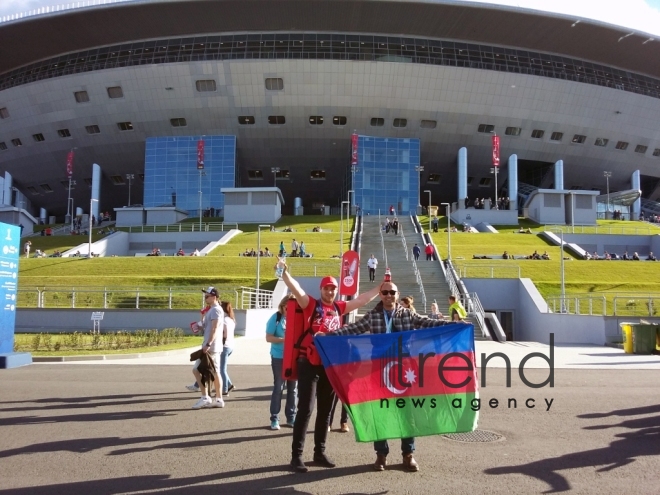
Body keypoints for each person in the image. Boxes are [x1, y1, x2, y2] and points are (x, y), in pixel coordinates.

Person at [328, 280, 449, 472]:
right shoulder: (373, 316)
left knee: (406, 412)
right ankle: (381, 455)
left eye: (392, 292)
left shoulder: (407, 314)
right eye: (385, 292)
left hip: (404, 371)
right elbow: (352, 329)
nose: (388, 295)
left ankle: (408, 455)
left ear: (397, 293)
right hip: (380, 371)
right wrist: (328, 335)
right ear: (381, 295)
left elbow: (429, 323)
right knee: (380, 412)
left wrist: (454, 324)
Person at [279, 258, 381, 473]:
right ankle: (296, 456)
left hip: (330, 364)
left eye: (333, 289)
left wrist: (378, 289)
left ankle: (319, 453)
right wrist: (285, 273)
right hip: (309, 362)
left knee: (326, 411)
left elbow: (361, 300)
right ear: (321, 289)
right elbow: (296, 290)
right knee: (306, 409)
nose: (330, 291)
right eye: (327, 288)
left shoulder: (338, 307)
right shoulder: (311, 304)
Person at [266, 295, 298, 430]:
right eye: (287, 307)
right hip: (279, 356)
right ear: (283, 305)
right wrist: (285, 340)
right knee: (279, 387)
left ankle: (291, 417)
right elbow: (268, 338)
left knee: (293, 389)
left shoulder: (297, 317)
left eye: (293, 307)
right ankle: (274, 418)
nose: (289, 310)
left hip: (293, 357)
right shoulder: (276, 318)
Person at [191, 287, 225, 409]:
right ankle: (218, 399)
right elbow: (205, 325)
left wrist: (208, 344)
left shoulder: (216, 310)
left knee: (197, 370)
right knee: (214, 372)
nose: (205, 298)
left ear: (214, 296)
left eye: (207, 296)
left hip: (212, 347)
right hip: (211, 346)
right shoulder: (212, 310)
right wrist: (198, 324)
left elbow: (215, 328)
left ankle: (206, 397)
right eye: (205, 296)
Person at [220, 301, 236, 396]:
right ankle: (229, 385)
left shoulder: (224, 320)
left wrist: (221, 343)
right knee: (222, 368)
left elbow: (224, 334)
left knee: (222, 369)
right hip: (230, 346)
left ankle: (225, 390)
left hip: (224, 346)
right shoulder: (231, 319)